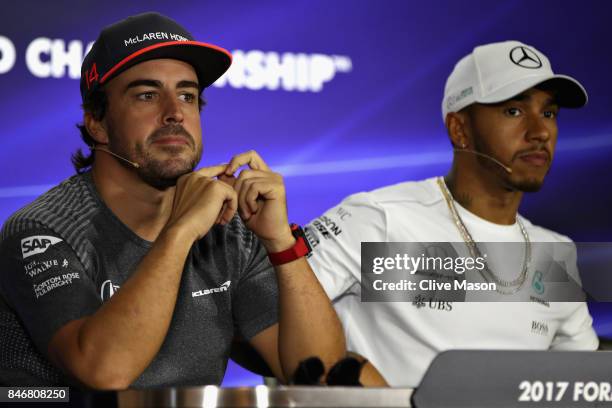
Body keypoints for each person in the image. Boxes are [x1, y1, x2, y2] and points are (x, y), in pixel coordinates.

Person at [0, 12, 344, 389]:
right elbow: (104, 370)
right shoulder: (40, 231)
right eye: (147, 95)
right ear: (96, 122)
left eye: (187, 95)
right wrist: (181, 230)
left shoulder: (231, 234)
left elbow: (320, 373)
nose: (175, 113)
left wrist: (280, 244)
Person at [305, 40, 599, 387]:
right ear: (460, 129)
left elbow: (583, 388)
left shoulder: (554, 255)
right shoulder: (382, 219)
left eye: (548, 113)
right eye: (513, 111)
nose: (540, 132)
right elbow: (261, 323)